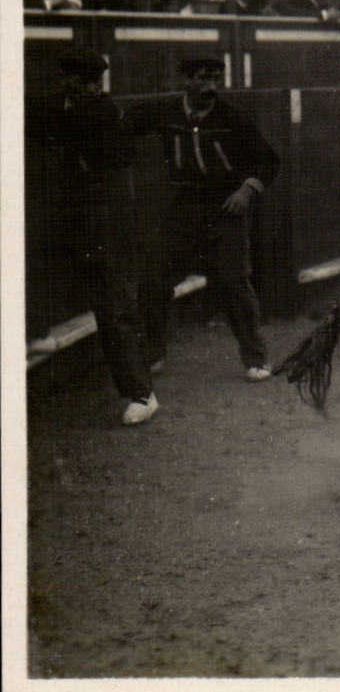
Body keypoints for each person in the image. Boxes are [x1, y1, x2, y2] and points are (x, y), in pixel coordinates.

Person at [129, 55, 279, 382]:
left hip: (225, 206)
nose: (210, 86)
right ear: (186, 81)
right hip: (185, 206)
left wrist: (246, 191)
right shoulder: (167, 112)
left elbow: (268, 161)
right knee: (155, 276)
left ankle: (256, 357)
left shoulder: (232, 118)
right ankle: (153, 352)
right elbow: (124, 123)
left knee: (233, 280)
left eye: (215, 79)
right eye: (203, 79)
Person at [31, 48, 157, 424]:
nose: (89, 88)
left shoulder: (103, 113)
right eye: (79, 81)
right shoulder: (64, 105)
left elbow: (70, 130)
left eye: (92, 82)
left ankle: (141, 392)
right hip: (77, 214)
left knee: (115, 301)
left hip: (106, 214)